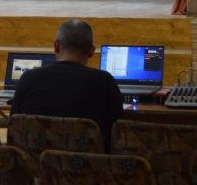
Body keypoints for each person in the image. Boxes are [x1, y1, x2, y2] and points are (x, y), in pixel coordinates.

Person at [10, 19, 123, 152]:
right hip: (88, 164)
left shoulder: (28, 78)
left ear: (56, 46)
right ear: (91, 51)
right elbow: (117, 133)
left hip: (35, 163)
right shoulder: (105, 81)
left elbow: (14, 124)